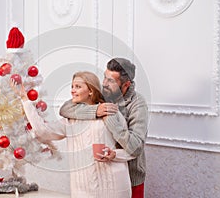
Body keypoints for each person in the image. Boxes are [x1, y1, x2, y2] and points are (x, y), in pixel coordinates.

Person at [15, 71, 134, 198]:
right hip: (83, 189)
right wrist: (24, 99)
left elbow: (132, 149)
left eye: (78, 86)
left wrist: (114, 154)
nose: (72, 90)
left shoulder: (110, 112)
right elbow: (42, 131)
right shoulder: (70, 119)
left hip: (114, 187)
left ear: (91, 91)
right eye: (72, 86)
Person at [59, 58, 149, 198]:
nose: (104, 84)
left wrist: (111, 121)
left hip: (131, 174)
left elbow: (136, 147)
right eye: (105, 78)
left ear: (126, 85)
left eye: (111, 81)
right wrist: (96, 111)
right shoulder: (103, 94)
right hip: (103, 175)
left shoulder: (137, 104)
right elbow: (66, 108)